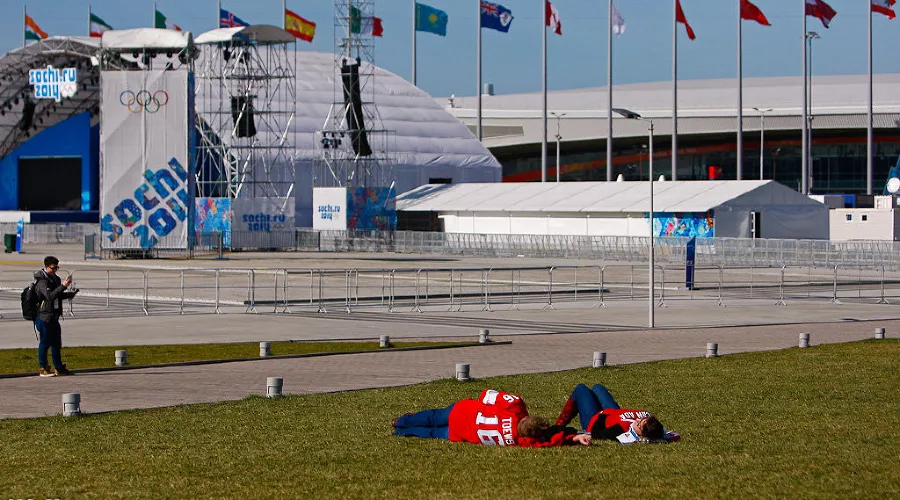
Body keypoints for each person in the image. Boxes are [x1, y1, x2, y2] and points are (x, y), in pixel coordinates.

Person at [392, 388, 592, 447]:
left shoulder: (515, 406)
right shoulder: (520, 441)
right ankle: (402, 432)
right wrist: (573, 438)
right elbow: (549, 442)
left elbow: (487, 394)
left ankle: (401, 421)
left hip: (463, 412)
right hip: (461, 432)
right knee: (432, 433)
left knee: (433, 417)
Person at [556, 383, 680, 444]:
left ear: (642, 434)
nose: (636, 420)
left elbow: (596, 433)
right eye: (641, 419)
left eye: (638, 424)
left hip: (596, 418)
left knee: (581, 389)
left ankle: (558, 426)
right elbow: (673, 436)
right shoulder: (652, 423)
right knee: (598, 387)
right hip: (614, 411)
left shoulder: (620, 430)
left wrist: (602, 416)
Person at [33, 256, 78, 377]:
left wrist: (69, 294)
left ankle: (58, 367)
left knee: (56, 344)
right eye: (53, 268)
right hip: (44, 317)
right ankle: (43, 368)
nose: (55, 270)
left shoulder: (55, 279)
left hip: (54, 316)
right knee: (45, 343)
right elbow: (50, 296)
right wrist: (63, 286)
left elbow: (57, 295)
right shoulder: (42, 281)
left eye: (57, 268)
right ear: (46, 267)